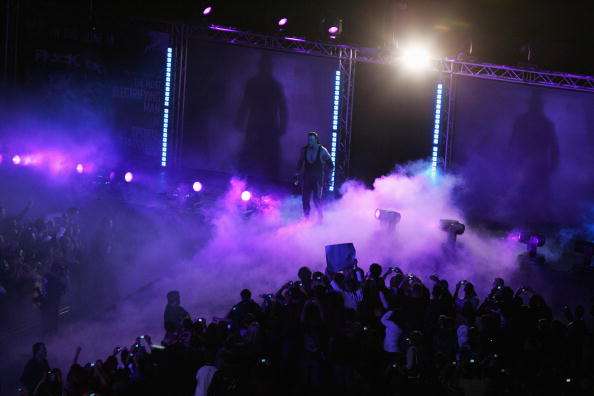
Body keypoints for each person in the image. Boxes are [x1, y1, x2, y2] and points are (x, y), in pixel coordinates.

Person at [296, 131, 334, 218]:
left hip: (318, 179)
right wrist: (296, 173)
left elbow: (331, 165)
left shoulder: (322, 150)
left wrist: (329, 177)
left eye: (312, 140)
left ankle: (320, 217)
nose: (310, 142)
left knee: (316, 200)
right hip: (307, 178)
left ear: (316, 140)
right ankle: (306, 218)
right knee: (305, 199)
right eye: (309, 140)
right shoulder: (304, 150)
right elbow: (300, 163)